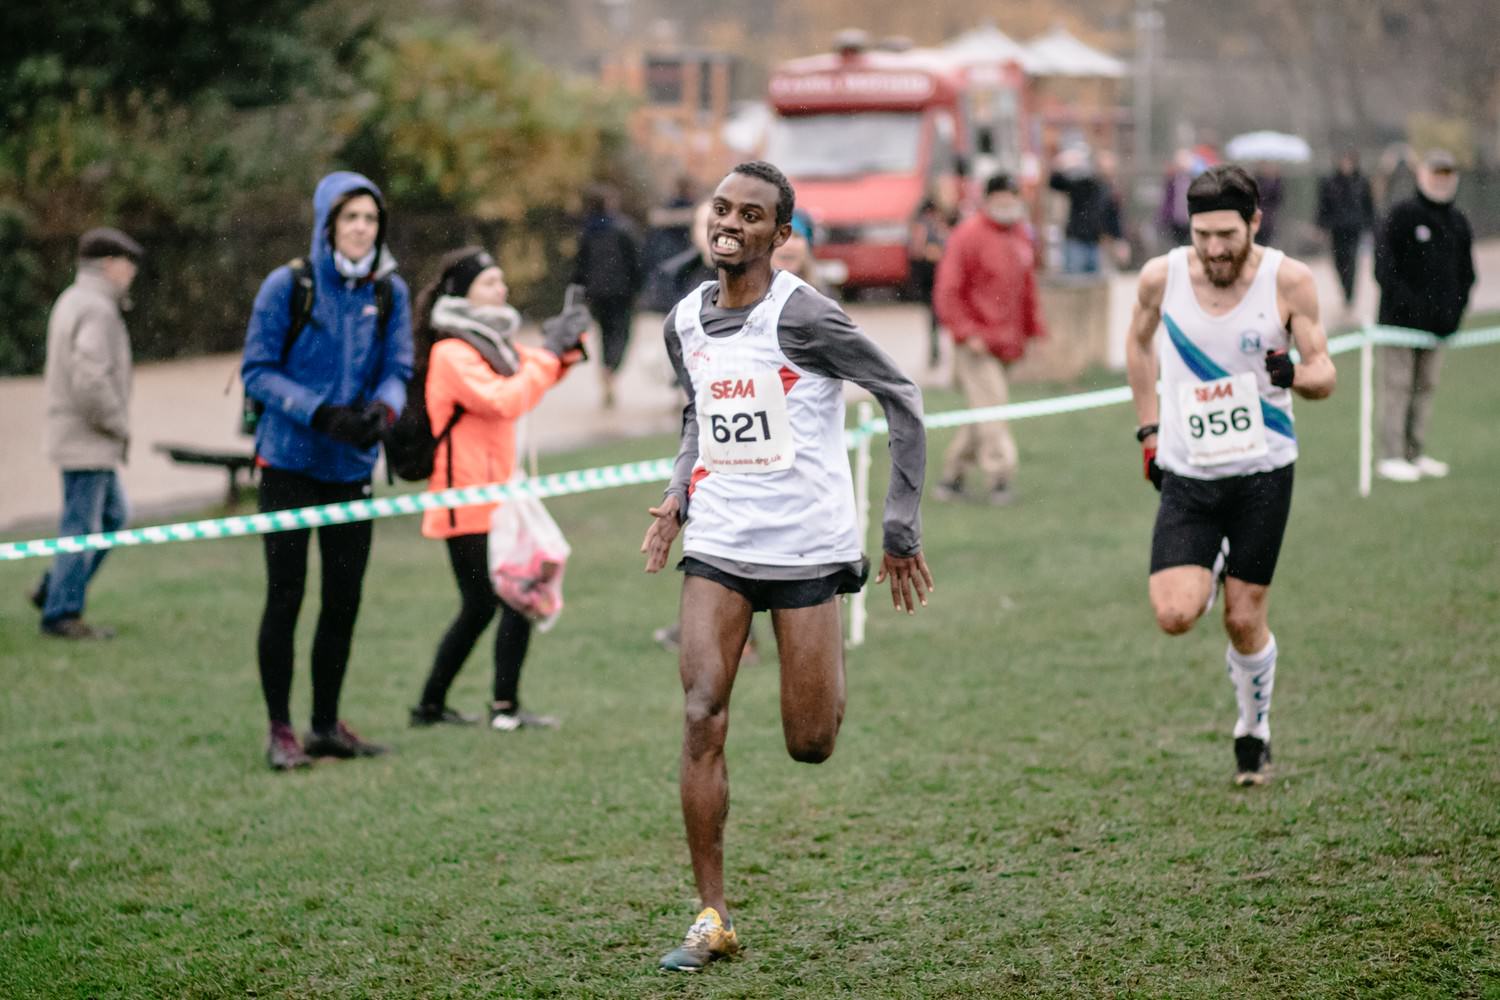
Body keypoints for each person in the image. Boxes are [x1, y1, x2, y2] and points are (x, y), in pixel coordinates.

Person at [640, 161, 933, 972]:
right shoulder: (684, 323)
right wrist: (678, 496)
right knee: (702, 711)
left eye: (751, 214)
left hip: (806, 546)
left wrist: (900, 527)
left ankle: (825, 679)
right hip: (722, 543)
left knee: (811, 743)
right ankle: (711, 915)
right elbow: (701, 414)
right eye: (722, 208)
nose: (729, 222)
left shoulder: (806, 317)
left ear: (781, 235)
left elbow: (902, 397)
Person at [1124, 164, 1336, 787]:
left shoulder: (1288, 281)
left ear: (1254, 224)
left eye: (1227, 234)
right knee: (1173, 614)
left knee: (1243, 619)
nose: (1214, 248)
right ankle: (1209, 563)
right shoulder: (1161, 277)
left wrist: (1292, 373)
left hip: (1263, 470)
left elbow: (1325, 371)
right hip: (1188, 472)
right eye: (1202, 234)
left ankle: (1253, 732)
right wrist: (1149, 430)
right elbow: (1137, 347)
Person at [241, 171, 413, 771]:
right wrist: (319, 412)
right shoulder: (287, 285)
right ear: (327, 224)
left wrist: (381, 410)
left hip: (352, 465)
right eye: (351, 218)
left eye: (371, 218)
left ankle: (325, 724)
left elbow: (400, 365)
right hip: (289, 461)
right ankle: (281, 729)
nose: (362, 228)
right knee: (285, 597)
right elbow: (257, 371)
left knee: (343, 600)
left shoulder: (390, 289)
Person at [407, 248, 588, 730]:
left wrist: (567, 343)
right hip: (463, 500)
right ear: (462, 293)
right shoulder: (453, 351)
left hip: (499, 498)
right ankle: (484, 707)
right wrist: (550, 356)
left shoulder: (494, 344)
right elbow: (507, 398)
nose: (501, 290)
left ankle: (440, 705)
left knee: (495, 601)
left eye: (501, 281)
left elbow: (534, 371)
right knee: (497, 600)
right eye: (489, 283)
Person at [31, 227, 144, 640]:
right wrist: (118, 424)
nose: (131, 272)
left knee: (113, 516)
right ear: (109, 265)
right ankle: (61, 613)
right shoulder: (96, 308)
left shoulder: (75, 299)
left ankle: (54, 588)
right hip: (87, 440)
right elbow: (90, 378)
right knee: (83, 525)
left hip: (80, 437)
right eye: (127, 263)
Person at [931, 172, 1046, 505]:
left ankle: (951, 478)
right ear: (989, 199)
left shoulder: (1021, 235)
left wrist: (1032, 330)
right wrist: (966, 333)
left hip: (1008, 342)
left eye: (1013, 198)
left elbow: (1026, 288)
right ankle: (1000, 478)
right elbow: (947, 291)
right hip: (977, 345)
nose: (1008, 205)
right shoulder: (968, 236)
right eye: (1002, 199)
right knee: (993, 410)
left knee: (983, 412)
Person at [1371, 149, 1475, 483]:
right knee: (1397, 386)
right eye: (1436, 173)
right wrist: (1413, 308)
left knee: (1425, 387)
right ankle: (1392, 455)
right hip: (1400, 326)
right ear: (1422, 175)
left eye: (1447, 174)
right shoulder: (1402, 215)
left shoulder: (1458, 222)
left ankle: (1415, 451)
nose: (1441, 181)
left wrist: (1452, 314)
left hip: (1438, 329)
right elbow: (1385, 269)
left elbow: (1466, 274)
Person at [571, 184, 643, 409]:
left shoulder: (587, 230)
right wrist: (638, 287)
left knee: (604, 334)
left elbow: (579, 266)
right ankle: (611, 369)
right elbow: (636, 260)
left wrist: (582, 290)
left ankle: (606, 370)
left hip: (597, 292)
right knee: (622, 334)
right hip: (621, 291)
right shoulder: (624, 228)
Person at [1316, 151, 1375, 317]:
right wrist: (1321, 225)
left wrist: (1370, 225)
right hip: (1337, 229)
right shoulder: (1329, 182)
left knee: (1351, 261)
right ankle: (1344, 288)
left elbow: (1368, 205)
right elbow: (1323, 205)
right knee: (1339, 261)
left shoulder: (1362, 181)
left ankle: (1350, 294)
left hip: (1354, 228)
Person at [1048, 147, 1125, 274]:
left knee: (1093, 287)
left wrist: (1119, 239)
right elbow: (1056, 183)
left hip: (1095, 243)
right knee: (1075, 284)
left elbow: (1113, 217)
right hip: (1076, 241)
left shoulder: (1110, 190)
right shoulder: (1084, 182)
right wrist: (1059, 164)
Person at [908, 198, 950, 367]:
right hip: (934, 279)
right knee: (935, 319)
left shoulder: (921, 227)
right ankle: (935, 353)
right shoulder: (932, 228)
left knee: (933, 320)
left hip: (929, 280)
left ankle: (935, 353)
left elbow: (915, 253)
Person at [1251, 163, 1284, 246]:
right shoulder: (1256, 182)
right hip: (1258, 218)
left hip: (1268, 220)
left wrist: (1277, 179)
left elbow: (1278, 198)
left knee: (1265, 242)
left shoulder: (1275, 182)